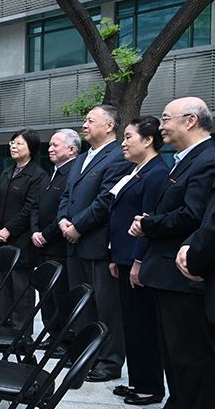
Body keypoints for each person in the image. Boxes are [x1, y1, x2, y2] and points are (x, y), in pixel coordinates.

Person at [129, 97, 215, 409]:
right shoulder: (186, 159)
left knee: (191, 360)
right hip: (167, 275)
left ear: (190, 121)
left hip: (184, 277)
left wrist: (149, 224)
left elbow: (194, 215)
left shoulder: (207, 160)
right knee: (175, 359)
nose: (161, 126)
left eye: (166, 118)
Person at [57, 104, 131, 382]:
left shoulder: (118, 157)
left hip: (97, 244)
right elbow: (68, 194)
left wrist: (78, 226)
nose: (84, 125)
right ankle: (83, 355)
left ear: (110, 125)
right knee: (82, 304)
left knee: (107, 307)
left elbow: (106, 201)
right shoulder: (82, 157)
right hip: (73, 242)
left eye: (91, 120)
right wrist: (64, 220)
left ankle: (109, 362)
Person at [107, 116, 168, 406]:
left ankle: (150, 387)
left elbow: (149, 221)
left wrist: (138, 261)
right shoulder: (137, 170)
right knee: (132, 324)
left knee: (144, 326)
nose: (123, 142)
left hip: (138, 261)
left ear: (148, 140)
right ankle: (137, 380)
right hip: (123, 257)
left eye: (129, 137)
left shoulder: (157, 173)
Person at [0, 128, 47, 334]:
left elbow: (30, 208)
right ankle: (2, 327)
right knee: (2, 286)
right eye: (12, 143)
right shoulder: (7, 171)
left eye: (19, 143)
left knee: (21, 288)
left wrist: (8, 230)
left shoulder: (38, 175)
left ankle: (21, 333)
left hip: (21, 241)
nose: (13, 146)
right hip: (0, 239)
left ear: (31, 148)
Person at [31, 129, 79, 346]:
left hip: (58, 245)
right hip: (41, 244)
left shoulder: (73, 173)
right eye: (49, 145)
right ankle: (52, 336)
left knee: (60, 294)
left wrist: (47, 235)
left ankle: (64, 340)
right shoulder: (51, 172)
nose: (49, 149)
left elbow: (65, 210)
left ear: (71, 149)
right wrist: (34, 231)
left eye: (55, 145)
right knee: (46, 295)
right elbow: (36, 205)